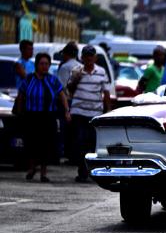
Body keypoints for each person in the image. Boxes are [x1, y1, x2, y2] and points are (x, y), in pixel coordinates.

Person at [16, 53, 71, 182]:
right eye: (42, 64)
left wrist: (66, 110)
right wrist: (19, 113)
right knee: (31, 144)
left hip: (48, 117)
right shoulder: (29, 79)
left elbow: (62, 95)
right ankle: (31, 168)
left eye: (47, 64)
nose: (44, 66)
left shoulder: (53, 80)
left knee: (46, 145)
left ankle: (43, 173)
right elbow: (21, 96)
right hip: (31, 116)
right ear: (36, 65)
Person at [67, 45, 111, 183]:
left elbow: (106, 93)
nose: (88, 58)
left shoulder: (101, 72)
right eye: (86, 56)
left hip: (95, 113)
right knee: (80, 142)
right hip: (79, 112)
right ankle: (82, 171)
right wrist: (76, 79)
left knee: (92, 143)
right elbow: (70, 90)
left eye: (91, 55)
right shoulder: (76, 70)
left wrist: (108, 111)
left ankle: (91, 171)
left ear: (95, 57)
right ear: (82, 57)